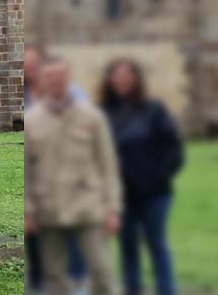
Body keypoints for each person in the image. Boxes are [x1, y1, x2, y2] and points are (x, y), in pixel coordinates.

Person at [27, 57, 122, 295]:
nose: (55, 81)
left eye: (60, 75)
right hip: (47, 206)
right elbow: (28, 170)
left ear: (68, 78)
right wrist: (28, 211)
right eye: (50, 76)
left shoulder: (91, 117)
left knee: (102, 269)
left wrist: (112, 208)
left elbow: (107, 165)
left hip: (88, 205)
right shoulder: (32, 120)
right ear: (42, 81)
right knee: (55, 274)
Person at [99, 59, 182, 295]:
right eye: (117, 74)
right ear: (110, 79)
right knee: (128, 249)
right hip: (121, 196)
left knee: (157, 245)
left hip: (154, 194)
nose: (122, 79)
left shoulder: (153, 109)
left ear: (135, 79)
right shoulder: (105, 113)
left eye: (127, 74)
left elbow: (173, 149)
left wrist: (157, 178)